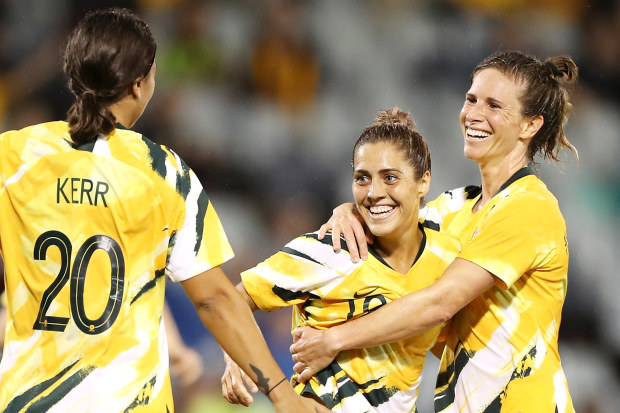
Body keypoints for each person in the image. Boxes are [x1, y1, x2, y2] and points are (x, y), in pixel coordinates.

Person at [0, 8, 327, 413]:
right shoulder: (164, 173)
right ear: (139, 85)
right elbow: (214, 300)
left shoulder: (13, 157)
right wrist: (282, 394)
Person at [290, 50, 578, 413]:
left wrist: (333, 341)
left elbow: (440, 303)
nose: (473, 114)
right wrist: (349, 210)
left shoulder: (529, 207)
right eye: (471, 99)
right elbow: (388, 226)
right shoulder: (454, 207)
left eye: (493, 105)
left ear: (529, 126)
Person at [221, 107, 461, 412]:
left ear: (423, 181)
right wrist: (237, 359)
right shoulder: (329, 250)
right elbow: (233, 301)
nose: (374, 192)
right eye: (362, 179)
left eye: (390, 178)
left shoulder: (449, 255)